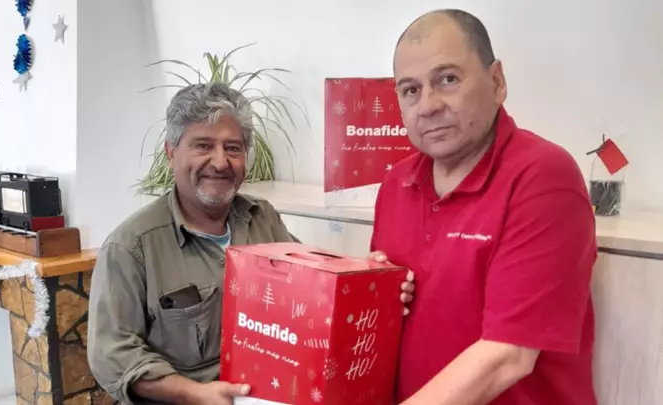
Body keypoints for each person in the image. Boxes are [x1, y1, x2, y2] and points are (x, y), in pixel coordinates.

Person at [87, 82, 413, 405]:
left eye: (233, 148)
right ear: (171, 153)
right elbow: (111, 353)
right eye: (203, 146)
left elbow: (313, 287)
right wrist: (193, 393)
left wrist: (370, 279)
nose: (220, 162)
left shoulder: (263, 218)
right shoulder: (131, 247)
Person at [369, 9, 598, 405]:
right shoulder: (396, 183)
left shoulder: (544, 177)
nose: (427, 105)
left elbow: (508, 356)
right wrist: (372, 291)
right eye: (411, 90)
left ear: (496, 82)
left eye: (447, 79)